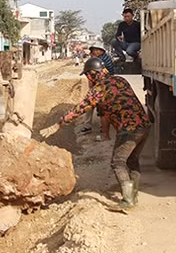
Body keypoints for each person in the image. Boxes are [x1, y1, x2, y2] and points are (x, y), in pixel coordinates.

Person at [58, 57, 150, 209]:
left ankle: (128, 201)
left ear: (93, 74)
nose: (88, 79)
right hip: (144, 125)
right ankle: (134, 195)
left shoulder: (99, 89)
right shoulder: (120, 80)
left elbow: (83, 107)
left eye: (88, 75)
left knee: (118, 162)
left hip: (129, 129)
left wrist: (64, 120)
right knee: (132, 161)